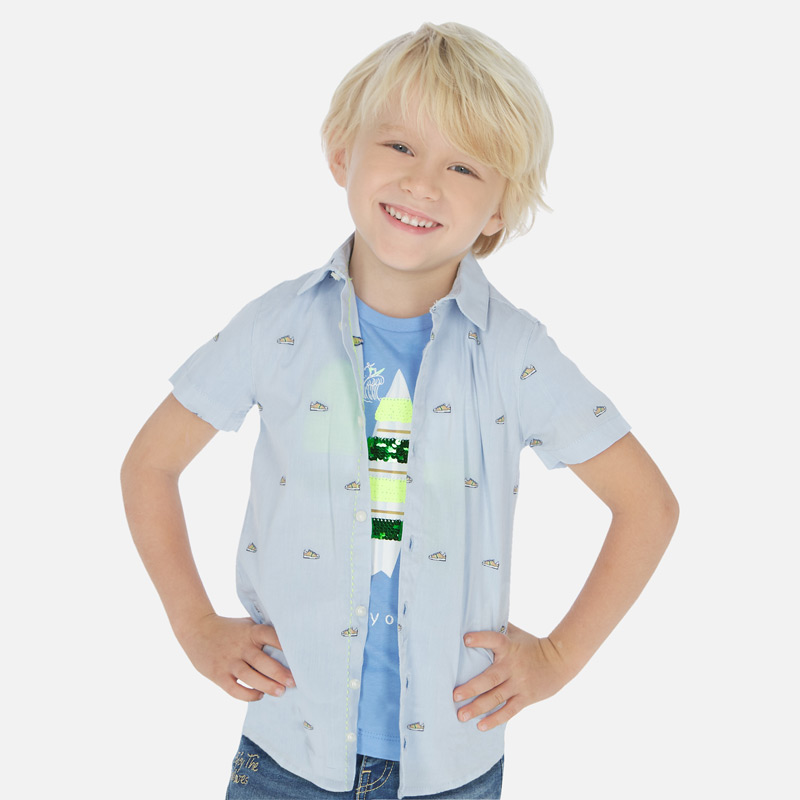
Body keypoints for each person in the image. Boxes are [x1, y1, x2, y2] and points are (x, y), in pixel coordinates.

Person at [121, 21, 678, 800]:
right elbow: (149, 465)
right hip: (286, 752)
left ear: (498, 208)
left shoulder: (515, 353)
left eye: (463, 165)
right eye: (400, 146)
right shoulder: (275, 327)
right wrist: (194, 624)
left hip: (450, 768)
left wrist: (556, 659)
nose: (423, 183)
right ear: (342, 153)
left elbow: (648, 505)